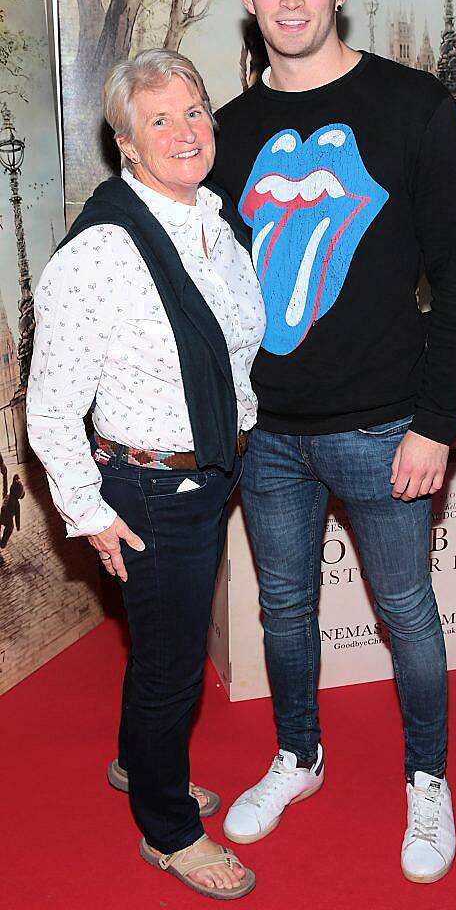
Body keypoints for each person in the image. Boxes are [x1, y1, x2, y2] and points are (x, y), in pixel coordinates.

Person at [211, 0, 456, 885]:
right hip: (267, 436)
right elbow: (212, 292)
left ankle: (427, 774)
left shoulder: (411, 106)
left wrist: (436, 425)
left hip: (385, 428)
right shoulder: (228, 130)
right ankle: (299, 754)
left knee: (407, 610)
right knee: (283, 609)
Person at [27, 49, 265, 900]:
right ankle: (169, 830)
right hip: (151, 493)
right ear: (125, 143)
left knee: (161, 645)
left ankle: (138, 762)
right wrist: (87, 512)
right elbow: (49, 405)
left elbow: (238, 356)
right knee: (170, 668)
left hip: (207, 476)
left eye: (194, 110)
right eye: (158, 120)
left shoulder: (213, 223)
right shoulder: (102, 252)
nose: (184, 131)